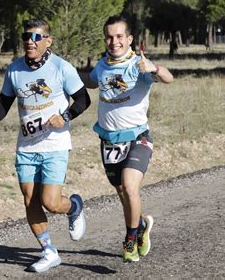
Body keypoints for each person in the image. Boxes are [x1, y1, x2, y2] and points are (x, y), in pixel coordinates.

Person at [0, 18, 91, 273]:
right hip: (27, 146)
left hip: (55, 143)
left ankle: (74, 206)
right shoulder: (15, 70)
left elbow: (83, 100)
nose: (30, 41)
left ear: (47, 41)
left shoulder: (61, 67)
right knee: (30, 199)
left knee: (50, 202)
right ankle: (49, 252)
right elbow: (4, 102)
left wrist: (65, 117)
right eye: (26, 36)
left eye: (37, 37)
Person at [86, 15, 173, 263]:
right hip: (109, 140)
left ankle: (129, 240)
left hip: (137, 136)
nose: (114, 42)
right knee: (123, 192)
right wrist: (63, 76)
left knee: (130, 186)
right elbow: (91, 82)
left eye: (120, 36)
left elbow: (168, 78)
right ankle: (141, 226)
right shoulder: (102, 66)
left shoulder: (139, 65)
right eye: (110, 37)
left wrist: (154, 68)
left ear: (129, 39)